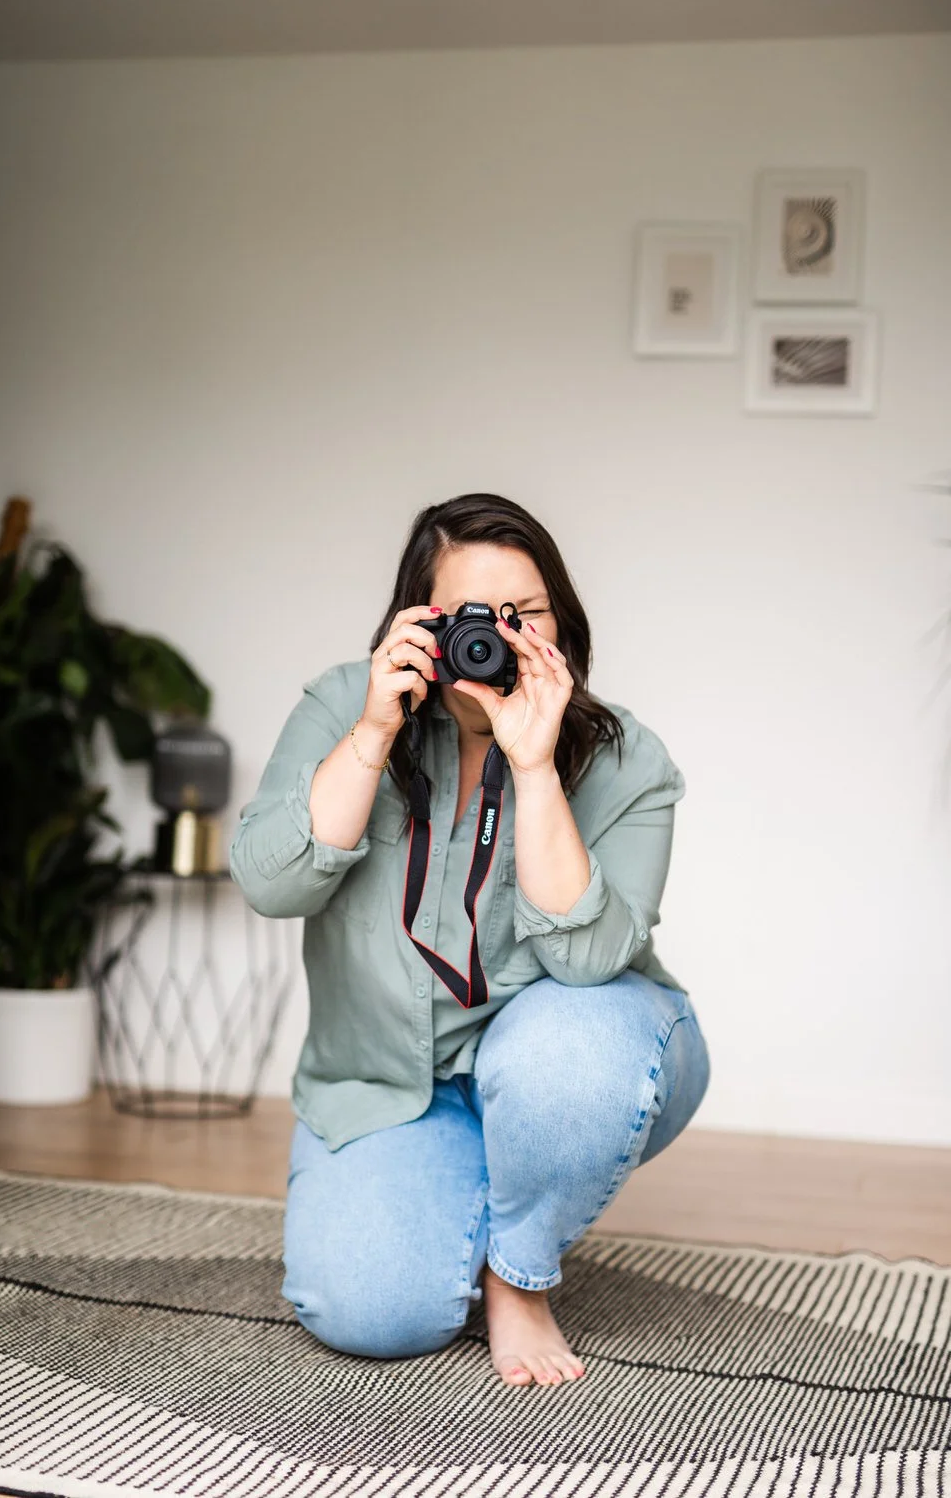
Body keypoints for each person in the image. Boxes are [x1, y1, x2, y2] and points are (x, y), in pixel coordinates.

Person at [229, 491, 711, 1389]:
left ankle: (517, 1271)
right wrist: (375, 732)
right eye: (464, 619)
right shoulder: (345, 704)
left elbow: (586, 962)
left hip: (577, 1054)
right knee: (374, 1313)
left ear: (558, 620)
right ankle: (478, 1189)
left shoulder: (625, 760)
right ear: (415, 621)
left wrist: (534, 763)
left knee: (567, 1062)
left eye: (519, 614)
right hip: (388, 1087)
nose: (490, 638)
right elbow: (270, 882)